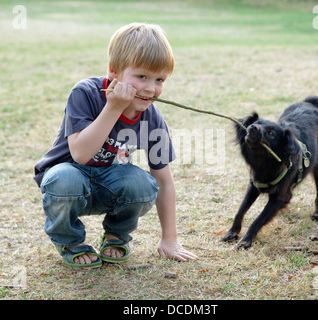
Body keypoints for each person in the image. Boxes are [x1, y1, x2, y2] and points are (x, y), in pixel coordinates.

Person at [33, 23, 198, 268]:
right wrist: (114, 107)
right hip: (68, 184)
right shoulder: (86, 93)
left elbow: (164, 181)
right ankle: (70, 241)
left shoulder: (152, 118)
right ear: (114, 72)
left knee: (142, 184)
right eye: (141, 76)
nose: (151, 89)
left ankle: (115, 235)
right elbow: (80, 154)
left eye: (159, 79)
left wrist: (170, 239)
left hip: (107, 186)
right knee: (64, 179)